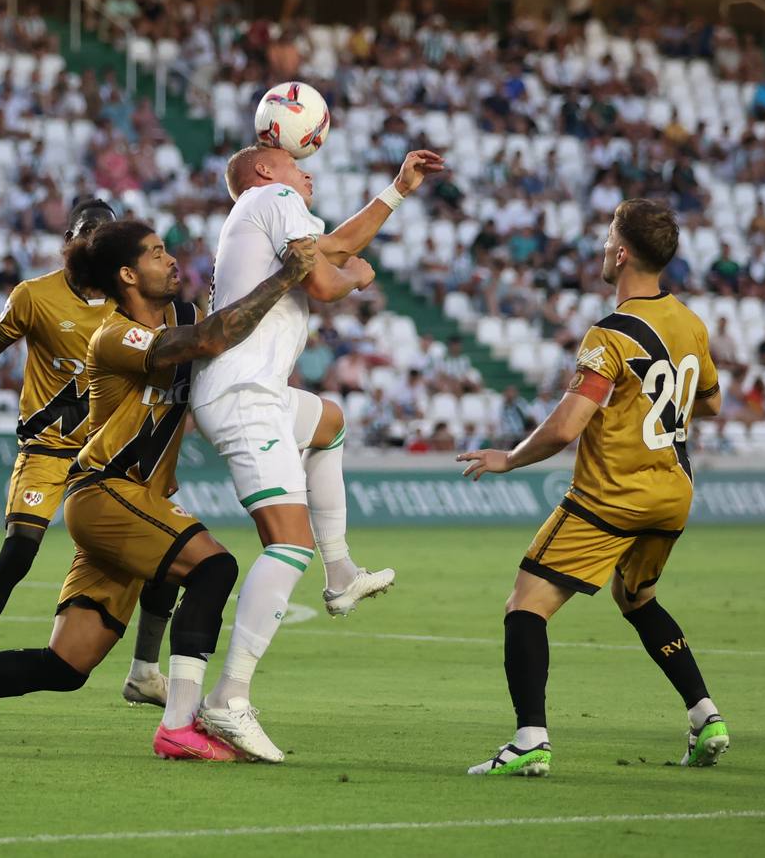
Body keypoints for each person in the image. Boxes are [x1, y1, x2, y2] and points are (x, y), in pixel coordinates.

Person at [0, 223, 321, 758]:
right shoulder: (113, 335)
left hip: (134, 500)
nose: (172, 259)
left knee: (65, 666)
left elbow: (227, 333)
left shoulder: (185, 314)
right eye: (157, 254)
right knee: (214, 567)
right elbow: (209, 340)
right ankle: (180, 724)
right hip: (105, 490)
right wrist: (285, 275)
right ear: (129, 275)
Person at [189, 144, 444, 763]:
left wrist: (396, 191)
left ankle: (341, 573)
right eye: (295, 161)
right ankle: (229, 697)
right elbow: (329, 277)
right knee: (286, 542)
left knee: (329, 422)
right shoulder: (271, 198)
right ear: (265, 169)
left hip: (263, 393)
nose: (308, 171)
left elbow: (329, 250)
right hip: (244, 393)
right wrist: (357, 274)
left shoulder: (269, 212)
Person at [458, 199, 728, 776]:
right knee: (635, 598)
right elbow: (710, 400)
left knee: (525, 607)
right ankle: (706, 715)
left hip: (612, 498)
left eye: (609, 237)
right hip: (672, 495)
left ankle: (530, 739)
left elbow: (564, 428)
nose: (604, 247)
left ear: (623, 252)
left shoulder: (610, 336)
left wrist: (508, 459)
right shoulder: (690, 322)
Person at [0, 200, 179, 712]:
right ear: (70, 238)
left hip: (110, 457)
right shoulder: (34, 296)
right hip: (47, 449)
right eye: (88, 234)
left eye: (106, 236)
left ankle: (145, 672)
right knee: (18, 553)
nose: (95, 243)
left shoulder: (129, 304)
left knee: (164, 556)